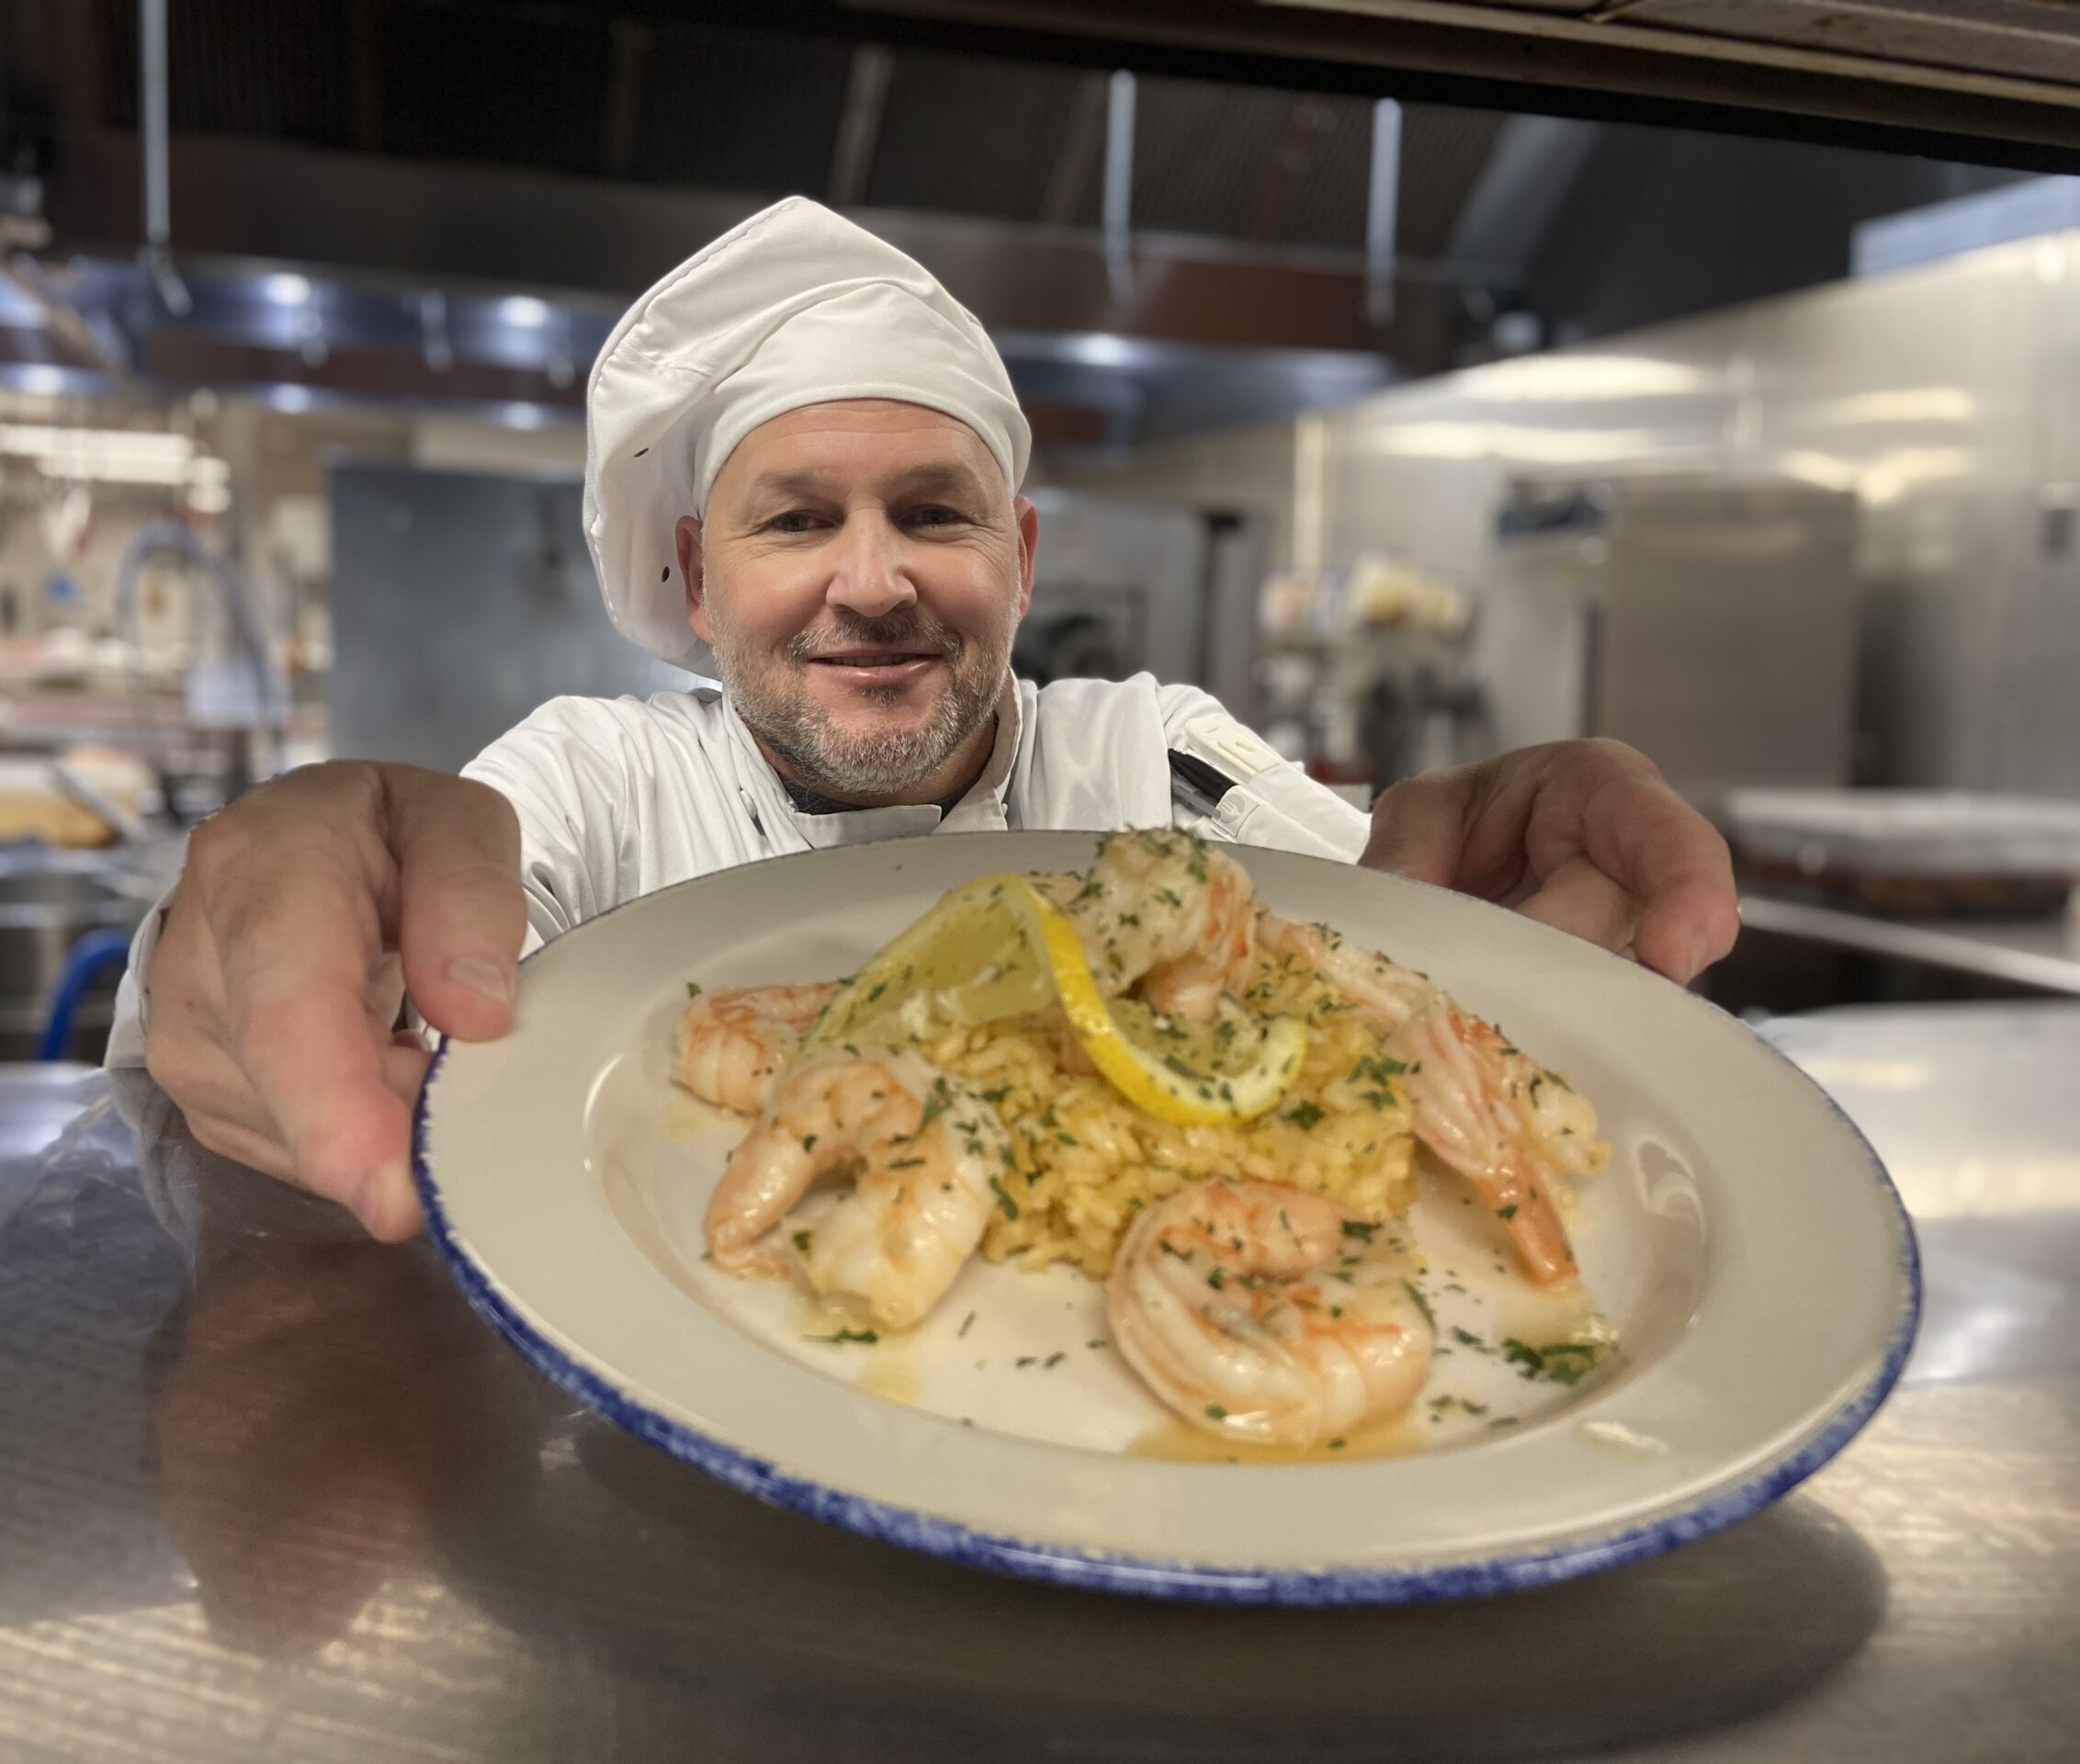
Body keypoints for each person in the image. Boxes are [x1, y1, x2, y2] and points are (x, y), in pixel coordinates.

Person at [107, 198, 1737, 1242]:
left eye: (935, 515)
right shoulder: (593, 782)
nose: (873, 582)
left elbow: (1396, 924)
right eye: (796, 520)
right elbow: (393, 966)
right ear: (691, 577)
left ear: (1018, 561)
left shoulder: (1144, 761)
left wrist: (1514, 938)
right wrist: (256, 930)